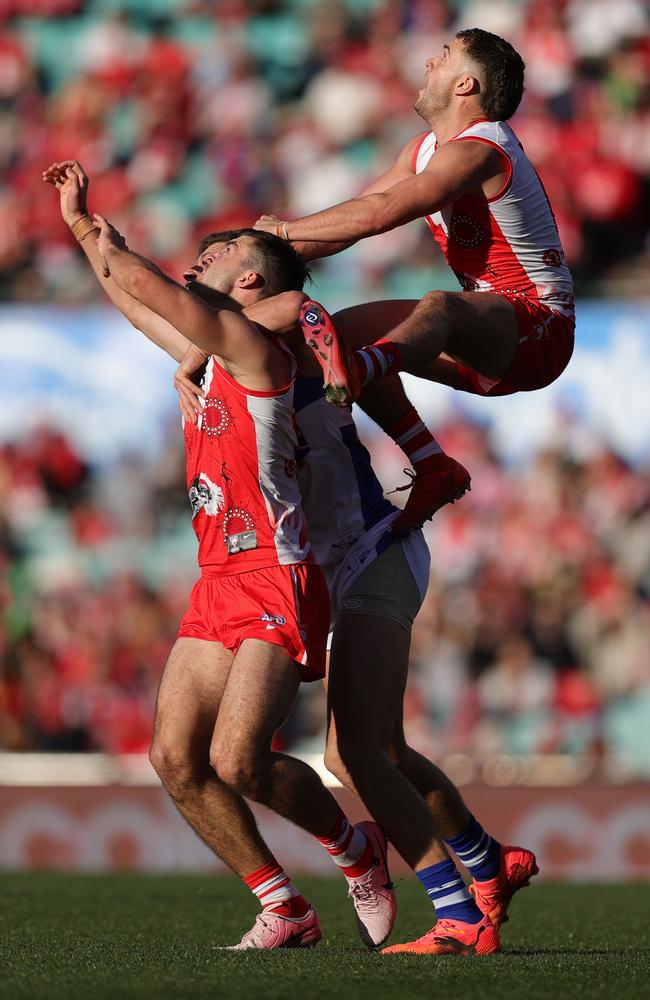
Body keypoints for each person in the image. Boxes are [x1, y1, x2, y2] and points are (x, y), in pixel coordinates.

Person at [43, 160, 396, 952]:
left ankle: (356, 852)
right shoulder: (216, 346)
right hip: (218, 580)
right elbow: (139, 305)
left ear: (252, 276)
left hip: (277, 569)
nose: (200, 255)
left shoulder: (251, 351)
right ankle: (283, 905)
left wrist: (112, 242)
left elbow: (157, 290)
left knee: (240, 759)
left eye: (219, 250)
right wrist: (81, 231)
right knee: (174, 757)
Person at [254, 27, 575, 535]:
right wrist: (264, 255)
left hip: (538, 329)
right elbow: (352, 220)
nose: (429, 62)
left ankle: (360, 372)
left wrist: (283, 231)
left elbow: (382, 214)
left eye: (443, 56)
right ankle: (431, 463)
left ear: (465, 85)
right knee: (342, 331)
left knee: (436, 307)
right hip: (483, 331)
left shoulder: (484, 148)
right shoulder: (424, 150)